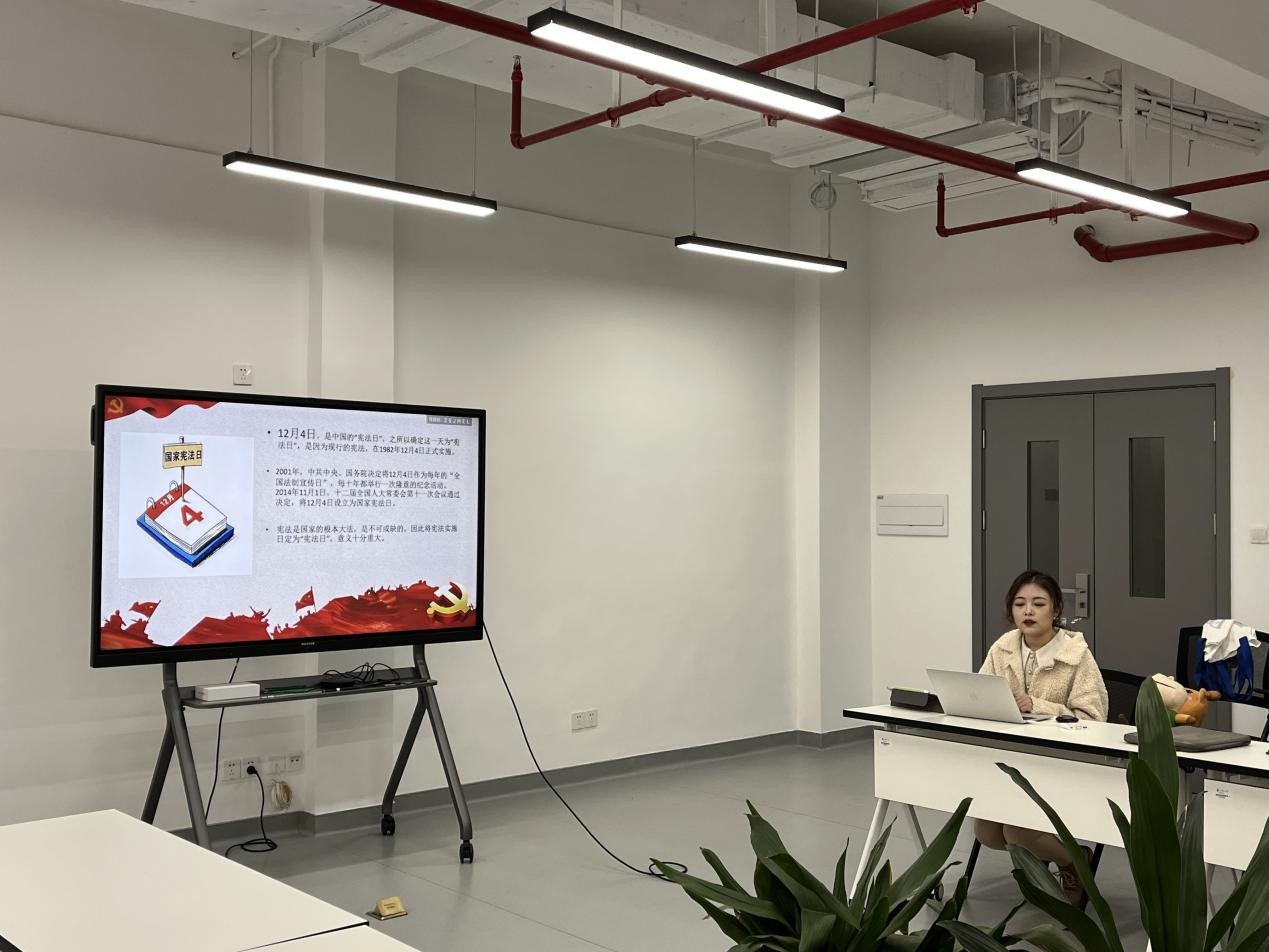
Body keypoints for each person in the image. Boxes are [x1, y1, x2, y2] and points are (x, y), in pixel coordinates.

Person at [972, 569, 1108, 904]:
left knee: (1017, 831)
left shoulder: (1076, 655)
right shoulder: (1002, 648)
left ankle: (1074, 861)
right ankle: (1043, 852)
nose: (1028, 611)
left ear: (1056, 609)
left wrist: (1037, 705)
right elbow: (979, 696)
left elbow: (1093, 717)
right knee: (986, 831)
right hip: (1011, 760)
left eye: (1038, 603)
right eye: (1020, 604)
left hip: (1060, 762)